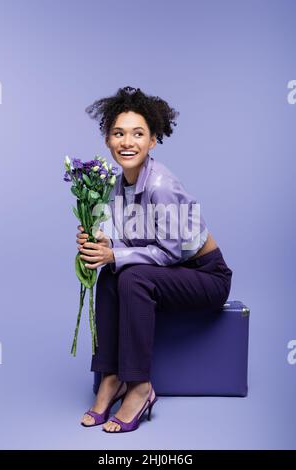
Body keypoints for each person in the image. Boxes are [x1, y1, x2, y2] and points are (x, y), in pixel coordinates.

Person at [77, 86, 233, 433]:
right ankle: (111, 375)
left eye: (138, 134)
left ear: (153, 142)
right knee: (111, 275)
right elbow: (131, 240)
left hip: (206, 278)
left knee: (131, 276)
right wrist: (99, 242)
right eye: (119, 133)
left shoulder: (160, 184)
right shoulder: (120, 184)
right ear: (107, 140)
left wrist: (114, 253)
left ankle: (140, 386)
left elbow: (170, 253)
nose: (127, 142)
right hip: (168, 273)